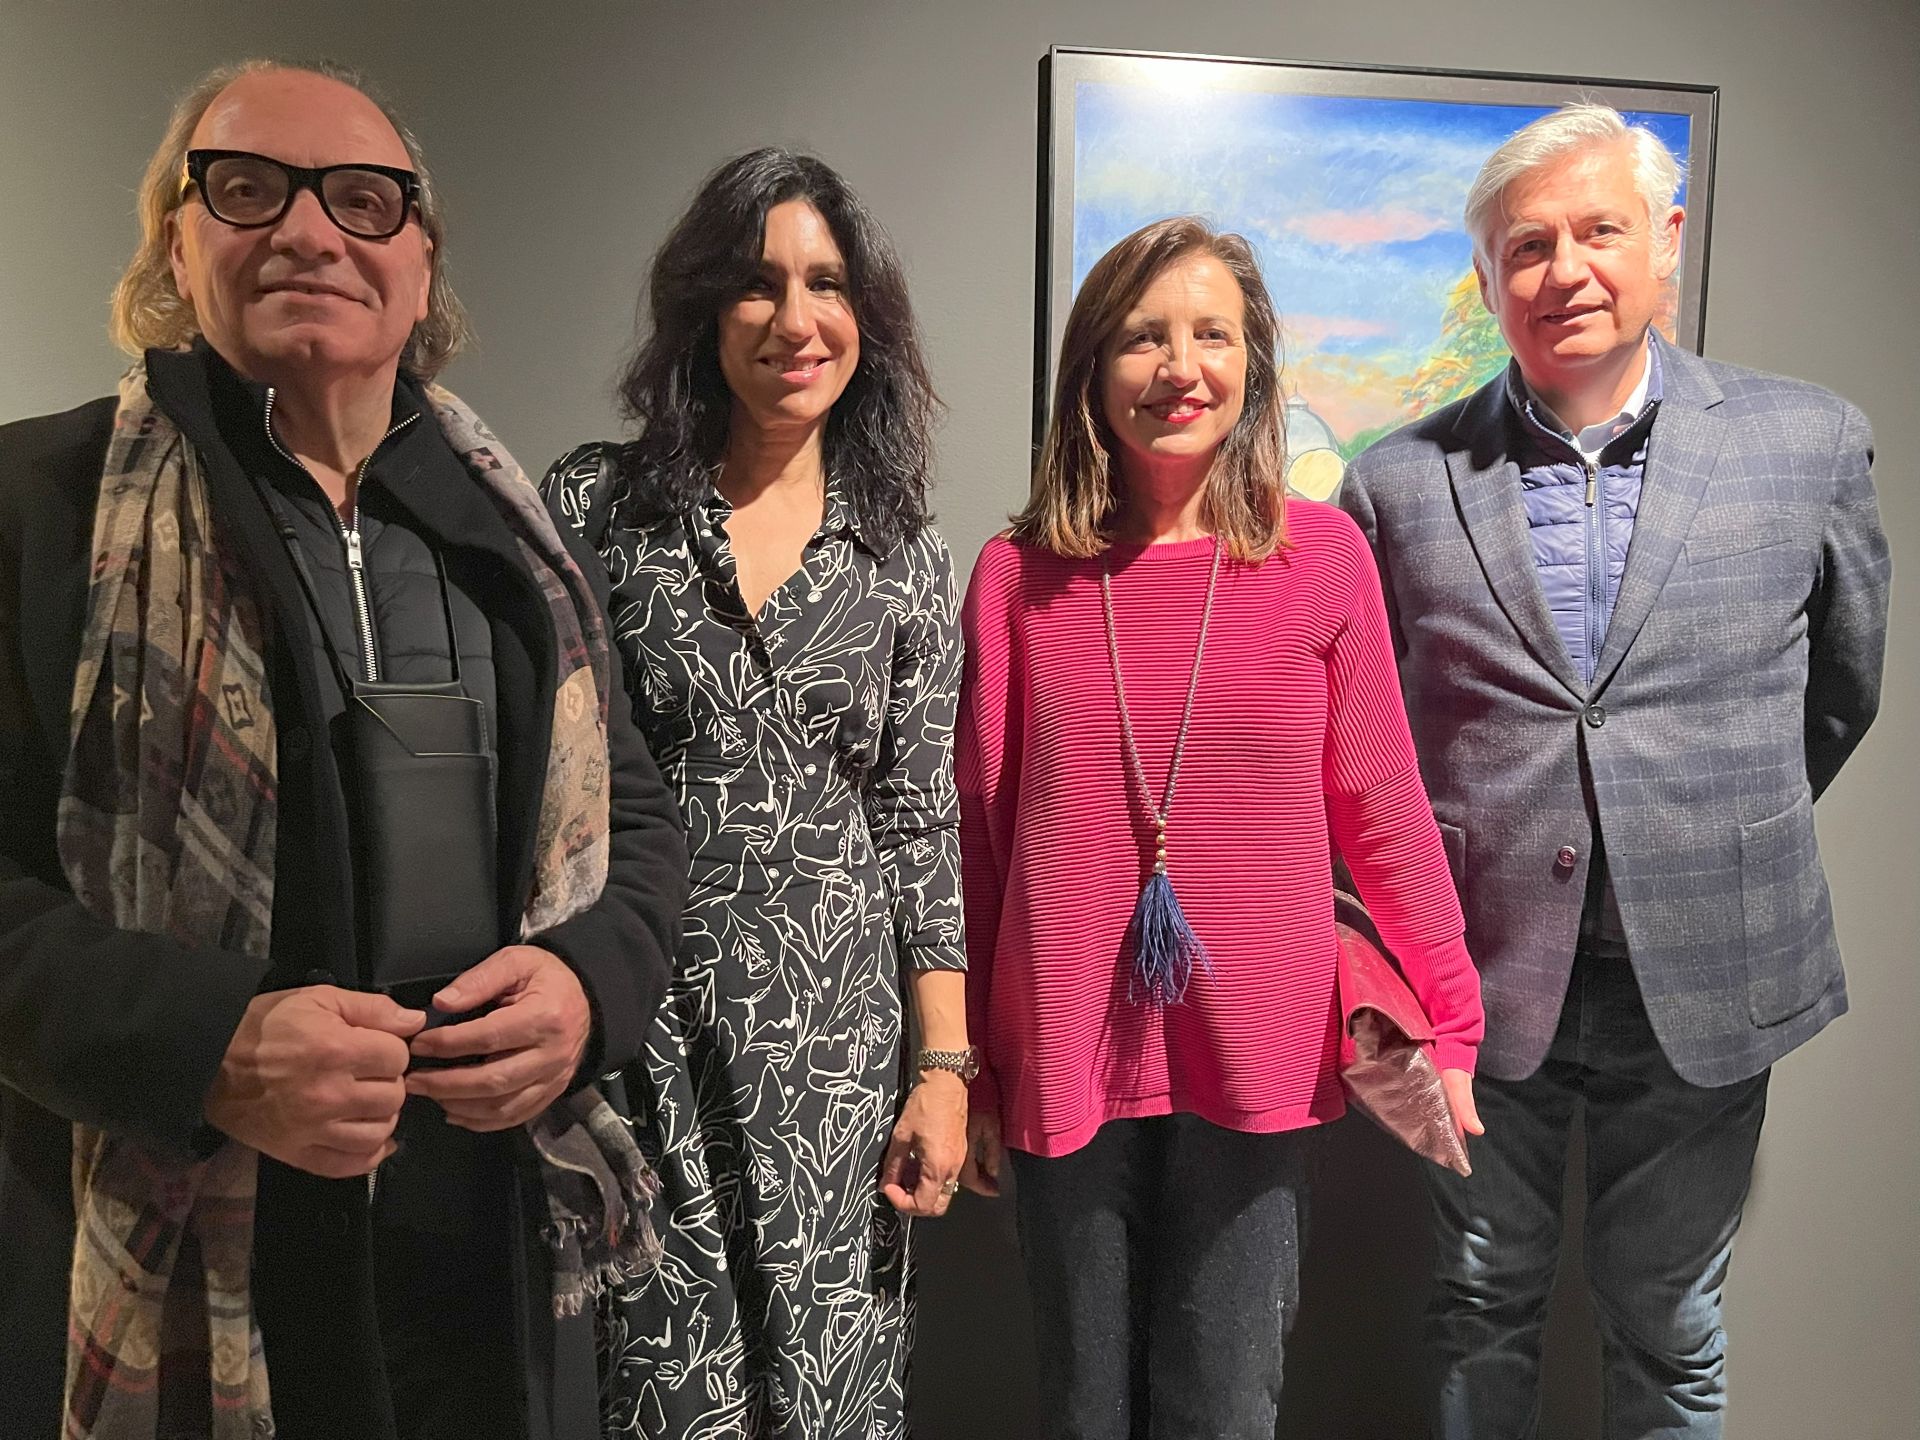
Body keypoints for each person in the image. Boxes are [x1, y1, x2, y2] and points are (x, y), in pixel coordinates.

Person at [0, 60, 688, 1440]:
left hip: (482, 1264)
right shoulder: (35, 504)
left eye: (364, 201)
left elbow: (640, 825)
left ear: (420, 269)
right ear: (173, 242)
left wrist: (585, 988)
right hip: (170, 1257)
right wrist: (209, 1046)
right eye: (248, 188)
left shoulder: (520, 546)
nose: (310, 231)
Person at [1339, 103, 1891, 1438]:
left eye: (1599, 231)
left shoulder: (1810, 447)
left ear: (1668, 245)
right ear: (1486, 279)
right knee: (1478, 1308)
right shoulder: (1396, 484)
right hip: (1476, 979)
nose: (1565, 271)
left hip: (1711, 967)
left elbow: (1841, 695)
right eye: (1526, 246)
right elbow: (1372, 750)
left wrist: (1686, 835)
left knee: (1671, 1323)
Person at [956, 215, 1485, 1440]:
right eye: (1142, 336)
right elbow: (979, 839)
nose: (1179, 365)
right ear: (1091, 368)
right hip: (1062, 1047)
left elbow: (1383, 807)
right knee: (1084, 1404)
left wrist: (1450, 1019)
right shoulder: (1015, 575)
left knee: (1223, 1407)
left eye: (1212, 333)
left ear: (1252, 367)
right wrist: (972, 1062)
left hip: (1260, 1048)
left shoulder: (1324, 561)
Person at [541, 148, 969, 1440]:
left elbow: (916, 818)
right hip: (650, 1046)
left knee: (835, 1408)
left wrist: (943, 1065)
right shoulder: (598, 510)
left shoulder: (901, 546)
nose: (796, 319)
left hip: (841, 1067)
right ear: (703, 311)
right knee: (670, 1404)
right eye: (759, 285)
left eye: (827, 284)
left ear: (865, 318)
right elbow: (551, 799)